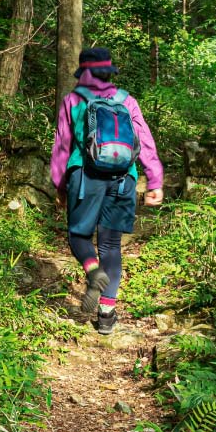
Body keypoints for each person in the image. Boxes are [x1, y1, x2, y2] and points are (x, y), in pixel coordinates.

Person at [50, 47, 164, 334]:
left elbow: (63, 146)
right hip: (123, 178)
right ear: (109, 71)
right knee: (112, 246)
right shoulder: (127, 100)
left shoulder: (73, 100)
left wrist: (60, 186)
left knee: (78, 235)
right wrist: (155, 180)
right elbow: (145, 142)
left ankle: (91, 269)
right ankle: (107, 315)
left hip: (85, 176)